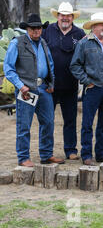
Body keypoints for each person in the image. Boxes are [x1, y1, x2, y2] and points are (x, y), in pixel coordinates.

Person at [4, 13, 65, 167]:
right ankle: (23, 157)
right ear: (27, 29)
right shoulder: (17, 43)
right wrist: (20, 86)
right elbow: (8, 68)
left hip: (43, 88)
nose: (37, 30)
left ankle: (46, 155)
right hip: (26, 90)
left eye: (39, 27)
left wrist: (51, 84)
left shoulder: (43, 42)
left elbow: (50, 64)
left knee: (48, 122)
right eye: (33, 28)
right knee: (24, 124)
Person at [70, 12, 103, 166]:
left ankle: (101, 154)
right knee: (87, 123)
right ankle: (86, 155)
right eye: (102, 24)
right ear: (93, 27)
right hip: (93, 89)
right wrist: (87, 81)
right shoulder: (84, 44)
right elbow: (74, 65)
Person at [42, 2, 86, 160]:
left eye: (68, 15)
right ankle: (47, 151)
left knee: (70, 119)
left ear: (72, 17)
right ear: (58, 16)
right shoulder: (47, 31)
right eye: (62, 15)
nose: (65, 18)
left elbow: (85, 56)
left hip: (71, 84)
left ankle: (70, 150)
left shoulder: (80, 33)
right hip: (50, 85)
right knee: (48, 119)